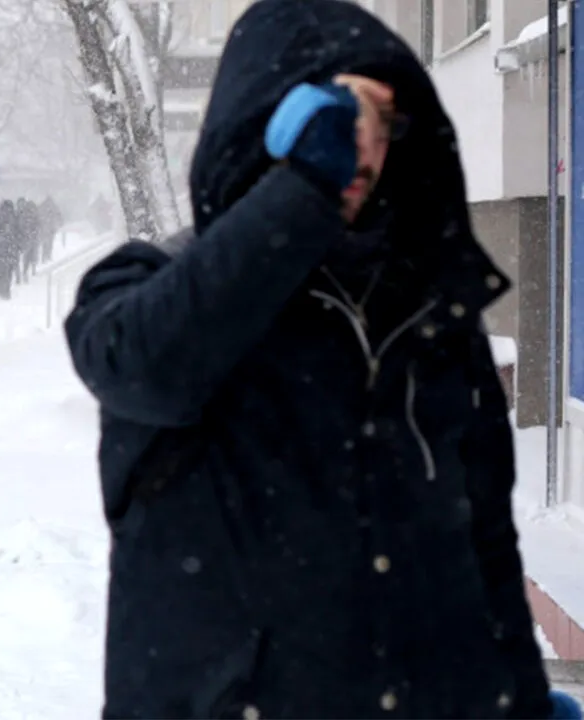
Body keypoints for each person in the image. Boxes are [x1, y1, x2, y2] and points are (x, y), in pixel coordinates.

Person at [64, 1, 571, 717]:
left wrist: (515, 698)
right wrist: (303, 191)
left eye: (386, 127)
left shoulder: (432, 323)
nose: (366, 150)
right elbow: (145, 370)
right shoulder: (152, 286)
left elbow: (485, 548)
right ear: (264, 129)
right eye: (337, 124)